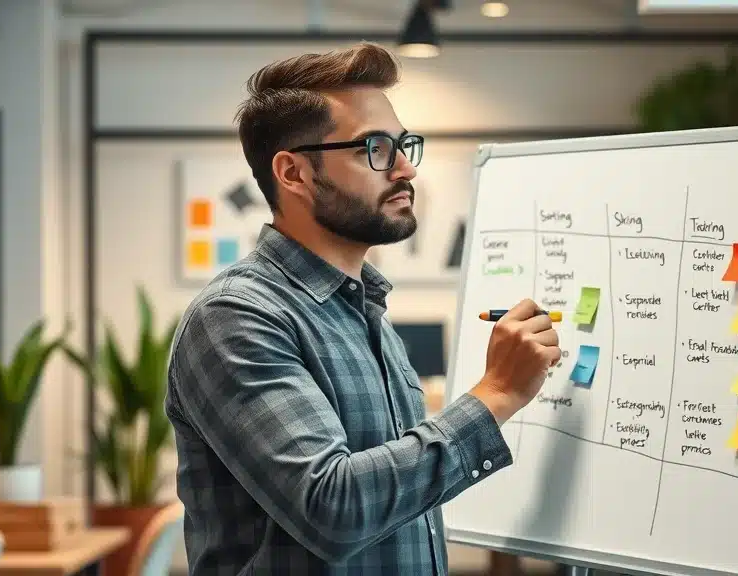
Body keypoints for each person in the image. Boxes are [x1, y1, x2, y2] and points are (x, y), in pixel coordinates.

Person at [164, 42, 561, 575]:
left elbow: (398, 513)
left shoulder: (366, 310)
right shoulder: (237, 317)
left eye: (404, 146)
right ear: (294, 174)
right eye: (374, 148)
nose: (404, 170)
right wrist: (497, 395)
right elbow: (334, 509)